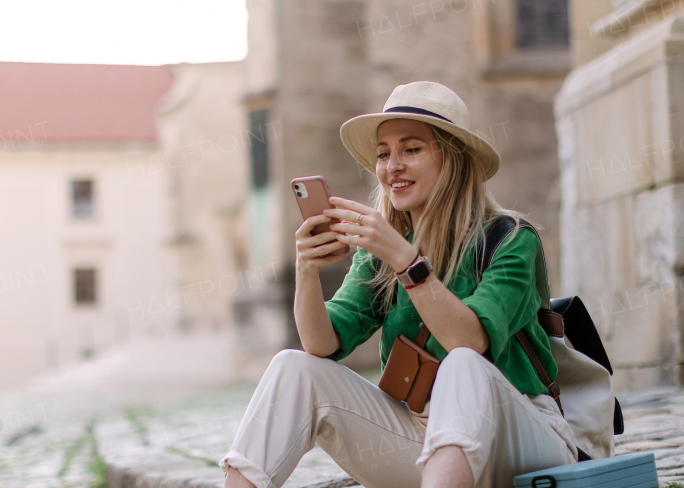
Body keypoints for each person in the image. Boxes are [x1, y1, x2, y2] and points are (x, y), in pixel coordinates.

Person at [220, 82, 577, 488]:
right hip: (424, 439)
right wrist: (306, 269)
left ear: (455, 159)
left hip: (524, 436)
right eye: (383, 154)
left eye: (411, 150)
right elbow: (322, 345)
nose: (392, 167)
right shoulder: (382, 249)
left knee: (461, 363)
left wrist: (406, 261)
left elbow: (469, 341)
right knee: (292, 366)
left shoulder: (510, 239)